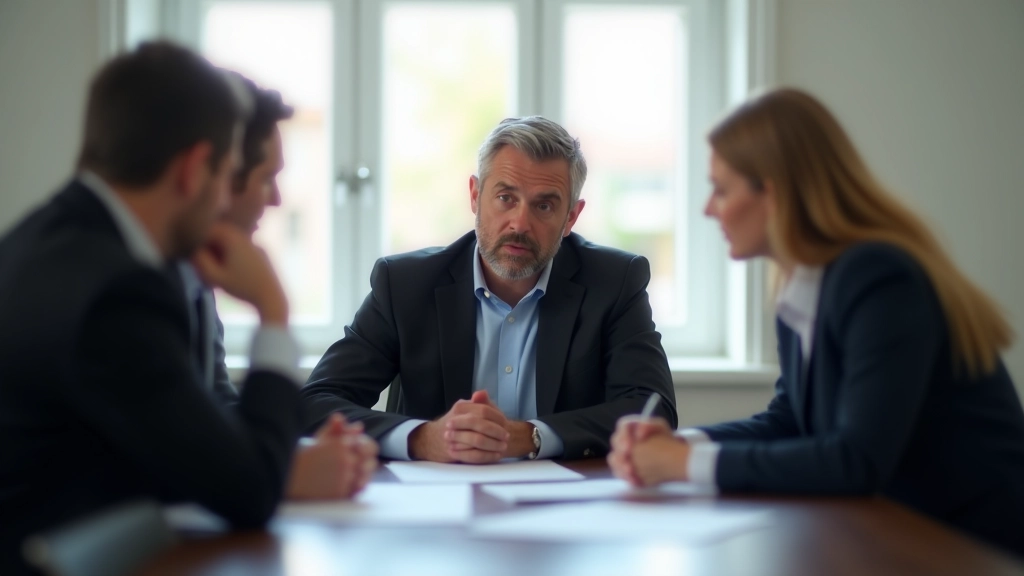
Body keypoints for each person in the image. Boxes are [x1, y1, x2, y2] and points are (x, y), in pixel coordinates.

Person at [608, 87, 1024, 558]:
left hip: (974, 545)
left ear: (775, 191)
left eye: (722, 189)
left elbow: (855, 459)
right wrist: (679, 442)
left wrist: (686, 464)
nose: (708, 209)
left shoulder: (879, 278)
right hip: (900, 532)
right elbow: (789, 419)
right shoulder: (803, 283)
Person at [0, 42, 292, 572]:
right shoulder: (116, 294)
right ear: (193, 170)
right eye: (225, 172)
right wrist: (273, 311)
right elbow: (250, 491)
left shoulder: (33, 242)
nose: (226, 201)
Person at [302, 116, 677, 463]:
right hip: (435, 507)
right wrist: (422, 438)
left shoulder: (614, 282)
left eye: (544, 206)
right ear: (474, 196)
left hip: (565, 508)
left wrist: (531, 436)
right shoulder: (405, 285)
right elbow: (316, 403)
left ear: (571, 218)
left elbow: (652, 408)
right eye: (505, 198)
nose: (520, 223)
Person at [177, 74, 377, 500]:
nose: (276, 201)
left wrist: (298, 456)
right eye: (266, 178)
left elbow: (216, 418)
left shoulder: (190, 272)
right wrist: (273, 308)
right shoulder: (121, 286)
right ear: (206, 172)